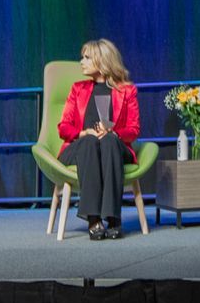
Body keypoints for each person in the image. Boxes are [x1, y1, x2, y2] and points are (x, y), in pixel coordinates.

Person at [57, 39, 141, 239]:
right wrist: (82, 133)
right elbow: (63, 127)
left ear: (102, 61)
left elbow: (134, 129)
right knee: (89, 142)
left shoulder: (126, 91)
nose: (81, 62)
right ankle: (93, 217)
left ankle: (113, 217)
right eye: (82, 57)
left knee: (109, 141)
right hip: (81, 146)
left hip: (113, 147)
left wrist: (114, 132)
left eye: (87, 57)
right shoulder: (78, 89)